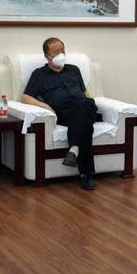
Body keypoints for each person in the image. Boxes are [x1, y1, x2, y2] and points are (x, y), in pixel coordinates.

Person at [21, 38, 98, 190]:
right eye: (56, 52)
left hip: (84, 107)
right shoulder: (39, 74)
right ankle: (84, 172)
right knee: (85, 123)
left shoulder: (74, 69)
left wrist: (91, 104)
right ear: (47, 56)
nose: (61, 54)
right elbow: (25, 97)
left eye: (63, 51)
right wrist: (44, 106)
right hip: (63, 112)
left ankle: (75, 150)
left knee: (84, 105)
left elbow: (84, 93)